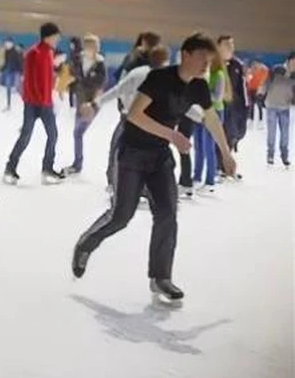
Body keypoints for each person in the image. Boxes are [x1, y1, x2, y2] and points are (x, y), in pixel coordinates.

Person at [72, 33, 237, 304]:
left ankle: (161, 277)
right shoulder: (159, 79)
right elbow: (136, 115)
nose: (206, 64)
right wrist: (173, 136)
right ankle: (86, 243)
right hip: (132, 153)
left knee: (167, 214)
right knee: (121, 216)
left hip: (160, 157)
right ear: (185, 55)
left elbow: (210, 118)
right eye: (201, 58)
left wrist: (226, 154)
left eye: (209, 60)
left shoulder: (198, 87)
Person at [86, 45, 170, 193]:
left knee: (121, 150)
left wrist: (96, 103)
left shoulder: (140, 73)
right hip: (145, 121)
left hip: (134, 118)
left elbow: (117, 90)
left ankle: (122, 183)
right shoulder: (159, 77)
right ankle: (128, 185)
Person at [3, 22, 64, 185]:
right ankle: (10, 167)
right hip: (33, 103)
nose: (58, 39)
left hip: (46, 103)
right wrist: (35, 98)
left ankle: (47, 168)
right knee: (25, 136)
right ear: (48, 36)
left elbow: (47, 79)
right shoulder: (33, 53)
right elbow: (29, 80)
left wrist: (51, 98)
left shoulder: (50, 53)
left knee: (53, 135)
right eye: (56, 36)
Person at [63, 33, 106, 175]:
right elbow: (69, 75)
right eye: (89, 45)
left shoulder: (100, 64)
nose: (92, 48)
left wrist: (92, 104)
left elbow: (100, 86)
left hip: (92, 103)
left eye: (94, 46)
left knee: (78, 132)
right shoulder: (77, 59)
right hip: (80, 100)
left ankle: (77, 164)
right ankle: (77, 163)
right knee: (77, 133)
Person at [192, 51, 229, 191]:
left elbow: (218, 97)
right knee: (198, 145)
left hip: (215, 112)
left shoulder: (218, 74)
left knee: (209, 146)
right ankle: (196, 176)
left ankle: (210, 179)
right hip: (201, 111)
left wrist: (202, 94)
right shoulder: (202, 73)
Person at [218, 35, 248, 175]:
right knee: (218, 135)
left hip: (233, 106)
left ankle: (224, 165)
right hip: (216, 105)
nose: (230, 48)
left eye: (231, 45)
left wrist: (245, 106)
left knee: (232, 134)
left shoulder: (237, 65)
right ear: (219, 46)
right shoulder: (214, 63)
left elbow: (242, 88)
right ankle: (218, 166)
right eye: (227, 45)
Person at [261, 52, 295, 167]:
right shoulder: (277, 69)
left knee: (285, 134)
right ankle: (270, 155)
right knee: (272, 132)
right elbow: (267, 82)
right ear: (289, 60)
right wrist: (262, 93)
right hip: (272, 105)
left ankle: (284, 156)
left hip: (285, 107)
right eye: (293, 61)